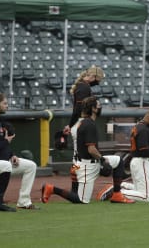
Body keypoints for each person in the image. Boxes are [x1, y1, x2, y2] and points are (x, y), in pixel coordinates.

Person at [41, 97, 134, 204]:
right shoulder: (89, 124)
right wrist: (103, 160)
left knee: (118, 160)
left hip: (81, 162)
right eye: (98, 105)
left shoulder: (82, 122)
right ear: (93, 109)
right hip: (87, 166)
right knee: (82, 200)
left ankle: (117, 195)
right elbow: (91, 149)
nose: (100, 107)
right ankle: (51, 189)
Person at [64, 65, 104, 193]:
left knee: (77, 157)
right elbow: (77, 109)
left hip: (79, 123)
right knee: (78, 157)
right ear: (93, 77)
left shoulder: (82, 85)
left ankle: (75, 188)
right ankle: (75, 188)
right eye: (99, 79)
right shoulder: (84, 87)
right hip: (80, 122)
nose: (98, 82)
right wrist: (70, 126)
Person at [117, 108, 149, 202]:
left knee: (141, 192)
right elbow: (144, 151)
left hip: (139, 161)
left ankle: (122, 186)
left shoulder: (140, 126)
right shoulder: (143, 129)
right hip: (142, 161)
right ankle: (117, 191)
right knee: (146, 197)